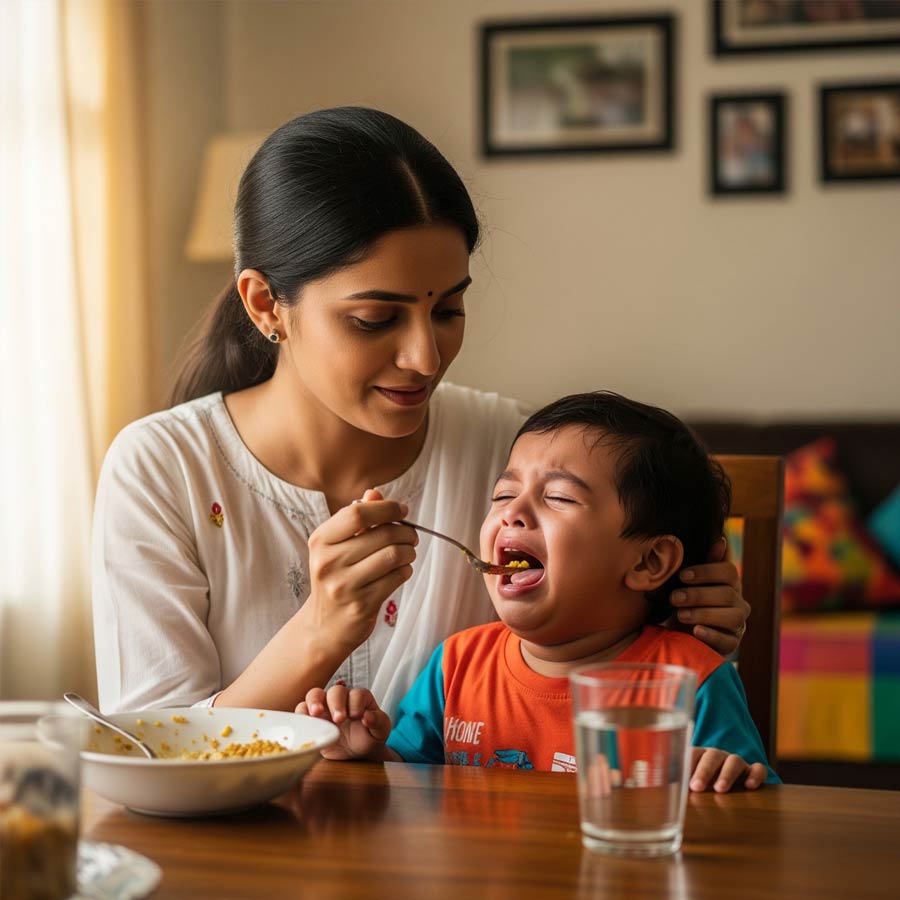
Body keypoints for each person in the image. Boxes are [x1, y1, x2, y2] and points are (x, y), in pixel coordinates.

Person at [92, 107, 749, 718]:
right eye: (375, 319)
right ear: (266, 305)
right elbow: (154, 753)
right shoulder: (162, 470)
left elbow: (604, 684)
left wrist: (680, 616)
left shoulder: (512, 457)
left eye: (447, 311)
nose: (426, 357)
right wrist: (321, 629)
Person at [297, 392, 778, 792]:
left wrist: (728, 781)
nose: (512, 512)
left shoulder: (691, 682)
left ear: (649, 562)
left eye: (560, 497)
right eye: (504, 495)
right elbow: (410, 783)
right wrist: (367, 753)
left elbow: (759, 812)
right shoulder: (455, 666)